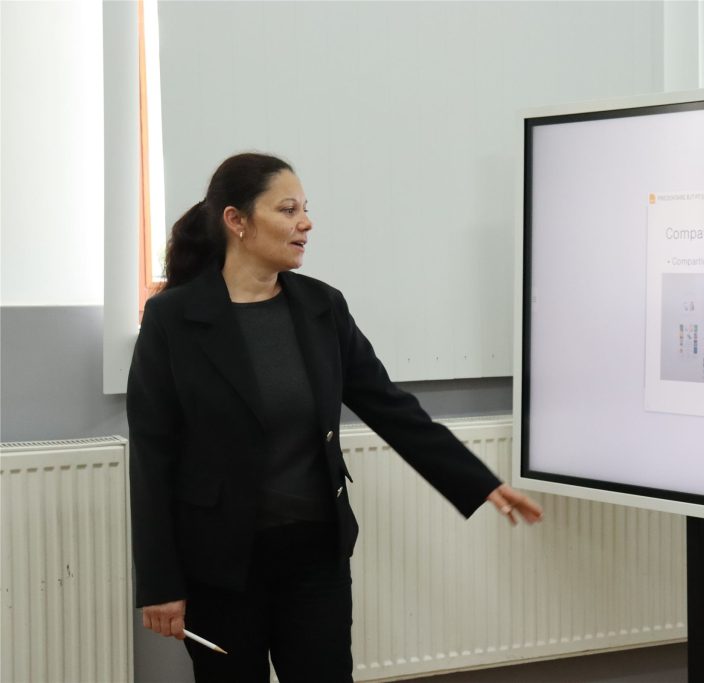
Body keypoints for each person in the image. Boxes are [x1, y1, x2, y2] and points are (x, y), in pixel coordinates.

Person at [127, 152, 543, 682]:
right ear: (237, 221)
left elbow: (390, 407)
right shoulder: (173, 318)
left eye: (306, 209)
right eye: (288, 209)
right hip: (221, 563)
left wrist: (478, 480)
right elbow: (152, 456)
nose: (306, 223)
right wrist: (160, 584)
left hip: (316, 555)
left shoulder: (322, 307)